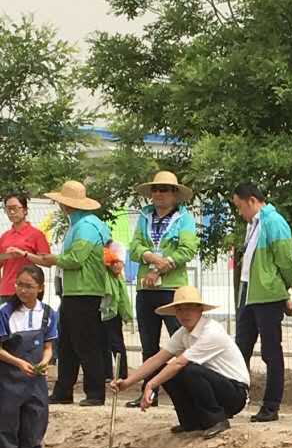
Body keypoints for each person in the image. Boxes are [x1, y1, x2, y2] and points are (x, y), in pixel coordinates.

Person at [111, 286, 250, 438]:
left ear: (200, 310)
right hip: (215, 386)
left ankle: (217, 420)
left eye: (190, 308)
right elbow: (157, 359)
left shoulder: (211, 331)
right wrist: (126, 383)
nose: (185, 314)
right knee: (165, 370)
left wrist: (150, 385)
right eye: (180, 310)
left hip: (235, 393)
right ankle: (190, 422)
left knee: (188, 369)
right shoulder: (183, 333)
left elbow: (179, 363)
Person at [21, 180, 111, 406]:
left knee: (86, 343)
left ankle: (95, 393)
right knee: (68, 342)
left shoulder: (86, 227)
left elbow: (75, 259)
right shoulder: (80, 224)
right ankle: (64, 390)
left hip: (85, 291)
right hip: (74, 291)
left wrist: (54, 259)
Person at [126, 172, 200, 410]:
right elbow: (134, 246)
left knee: (182, 342)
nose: (159, 194)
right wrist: (149, 256)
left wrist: (159, 268)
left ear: (174, 193)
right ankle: (149, 392)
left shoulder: (184, 218)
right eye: (156, 189)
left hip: (172, 289)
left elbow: (187, 249)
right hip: (145, 287)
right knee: (148, 343)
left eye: (165, 189)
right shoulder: (145, 215)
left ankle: (191, 393)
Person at [232, 183, 292, 423]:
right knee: (241, 349)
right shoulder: (253, 224)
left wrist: (283, 288)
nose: (240, 213)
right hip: (249, 293)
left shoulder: (274, 222)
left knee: (271, 350)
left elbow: (286, 261)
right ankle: (234, 399)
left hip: (267, 295)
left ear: (251, 201)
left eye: (240, 207)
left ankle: (271, 405)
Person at [0, 265, 58, 448]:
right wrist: (18, 363)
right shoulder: (5, 313)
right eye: (19, 285)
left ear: (40, 288)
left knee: (33, 430)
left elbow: (49, 346)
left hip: (35, 385)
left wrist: (44, 361)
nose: (23, 290)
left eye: (29, 286)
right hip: (8, 384)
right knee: (6, 432)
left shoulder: (48, 313)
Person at [0, 193, 49, 298]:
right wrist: (7, 256)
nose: (12, 212)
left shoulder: (36, 234)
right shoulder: (4, 236)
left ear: (25, 210)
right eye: (8, 209)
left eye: (15, 208)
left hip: (28, 291)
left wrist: (24, 254)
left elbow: (47, 261)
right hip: (6, 291)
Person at [102, 242, 132, 383]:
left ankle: (122, 373)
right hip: (98, 304)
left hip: (112, 305)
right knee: (101, 342)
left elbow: (118, 266)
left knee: (115, 341)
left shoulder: (115, 248)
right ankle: (106, 373)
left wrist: (108, 261)